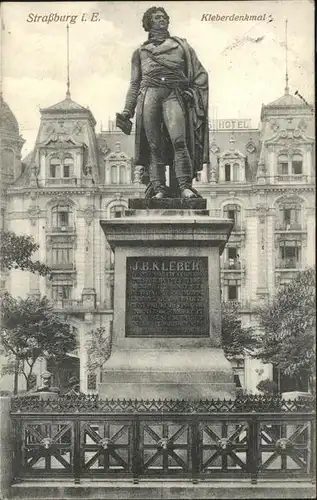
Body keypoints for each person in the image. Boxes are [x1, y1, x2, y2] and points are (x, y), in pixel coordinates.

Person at [118, 6, 209, 199]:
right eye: (158, 17)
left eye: (165, 17)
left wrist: (192, 93)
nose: (163, 20)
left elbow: (201, 75)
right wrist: (127, 111)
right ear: (148, 22)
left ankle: (185, 186)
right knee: (154, 145)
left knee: (179, 140)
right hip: (149, 95)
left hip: (173, 94)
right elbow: (134, 84)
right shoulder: (140, 52)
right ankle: (158, 188)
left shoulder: (182, 47)